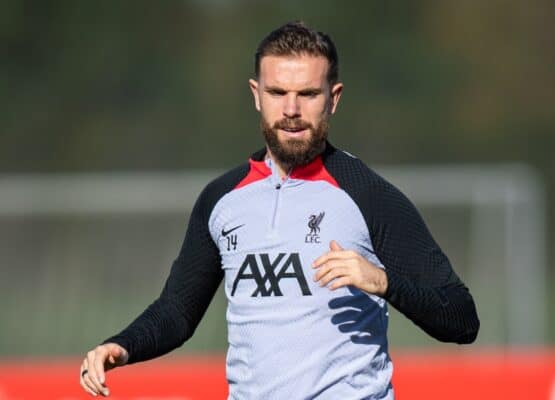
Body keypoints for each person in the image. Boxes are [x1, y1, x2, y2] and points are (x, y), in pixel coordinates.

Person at [79, 21, 479, 399]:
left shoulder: (368, 195)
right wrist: (122, 346)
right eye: (277, 93)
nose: (291, 109)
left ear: (333, 98)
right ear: (256, 94)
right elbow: (177, 312)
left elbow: (462, 319)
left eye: (307, 94)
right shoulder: (221, 199)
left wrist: (384, 282)